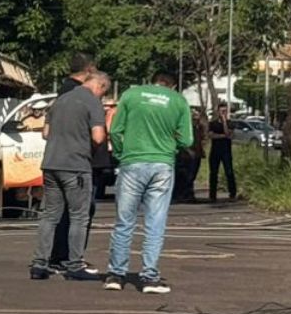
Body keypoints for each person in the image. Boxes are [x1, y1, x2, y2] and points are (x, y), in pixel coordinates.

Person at [105, 72, 194, 295]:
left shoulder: (131, 95)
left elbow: (115, 130)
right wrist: (171, 146)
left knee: (124, 221)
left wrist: (119, 153)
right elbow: (187, 140)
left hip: (132, 162)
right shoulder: (178, 101)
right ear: (172, 86)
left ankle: (116, 274)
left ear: (150, 80)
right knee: (155, 223)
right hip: (162, 164)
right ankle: (149, 276)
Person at [30, 71, 109, 281]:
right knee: (79, 216)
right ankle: (74, 265)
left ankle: (40, 263)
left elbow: (45, 133)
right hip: (76, 165)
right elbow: (99, 136)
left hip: (51, 163)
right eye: (103, 93)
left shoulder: (60, 100)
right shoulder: (91, 102)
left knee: (49, 215)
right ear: (99, 86)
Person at [48, 52, 99, 270]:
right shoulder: (81, 95)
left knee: (57, 213)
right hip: (75, 162)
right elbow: (96, 134)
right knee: (77, 212)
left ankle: (54, 257)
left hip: (56, 159)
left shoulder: (63, 91)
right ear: (89, 71)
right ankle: (70, 258)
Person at [206, 105, 237, 200]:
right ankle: (212, 195)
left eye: (225, 111)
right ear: (218, 112)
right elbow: (211, 135)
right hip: (215, 151)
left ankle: (232, 193)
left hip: (226, 152)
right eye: (221, 111)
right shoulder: (213, 123)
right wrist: (223, 136)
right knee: (213, 173)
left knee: (229, 172)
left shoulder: (230, 123)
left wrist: (224, 122)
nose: (223, 113)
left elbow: (229, 134)